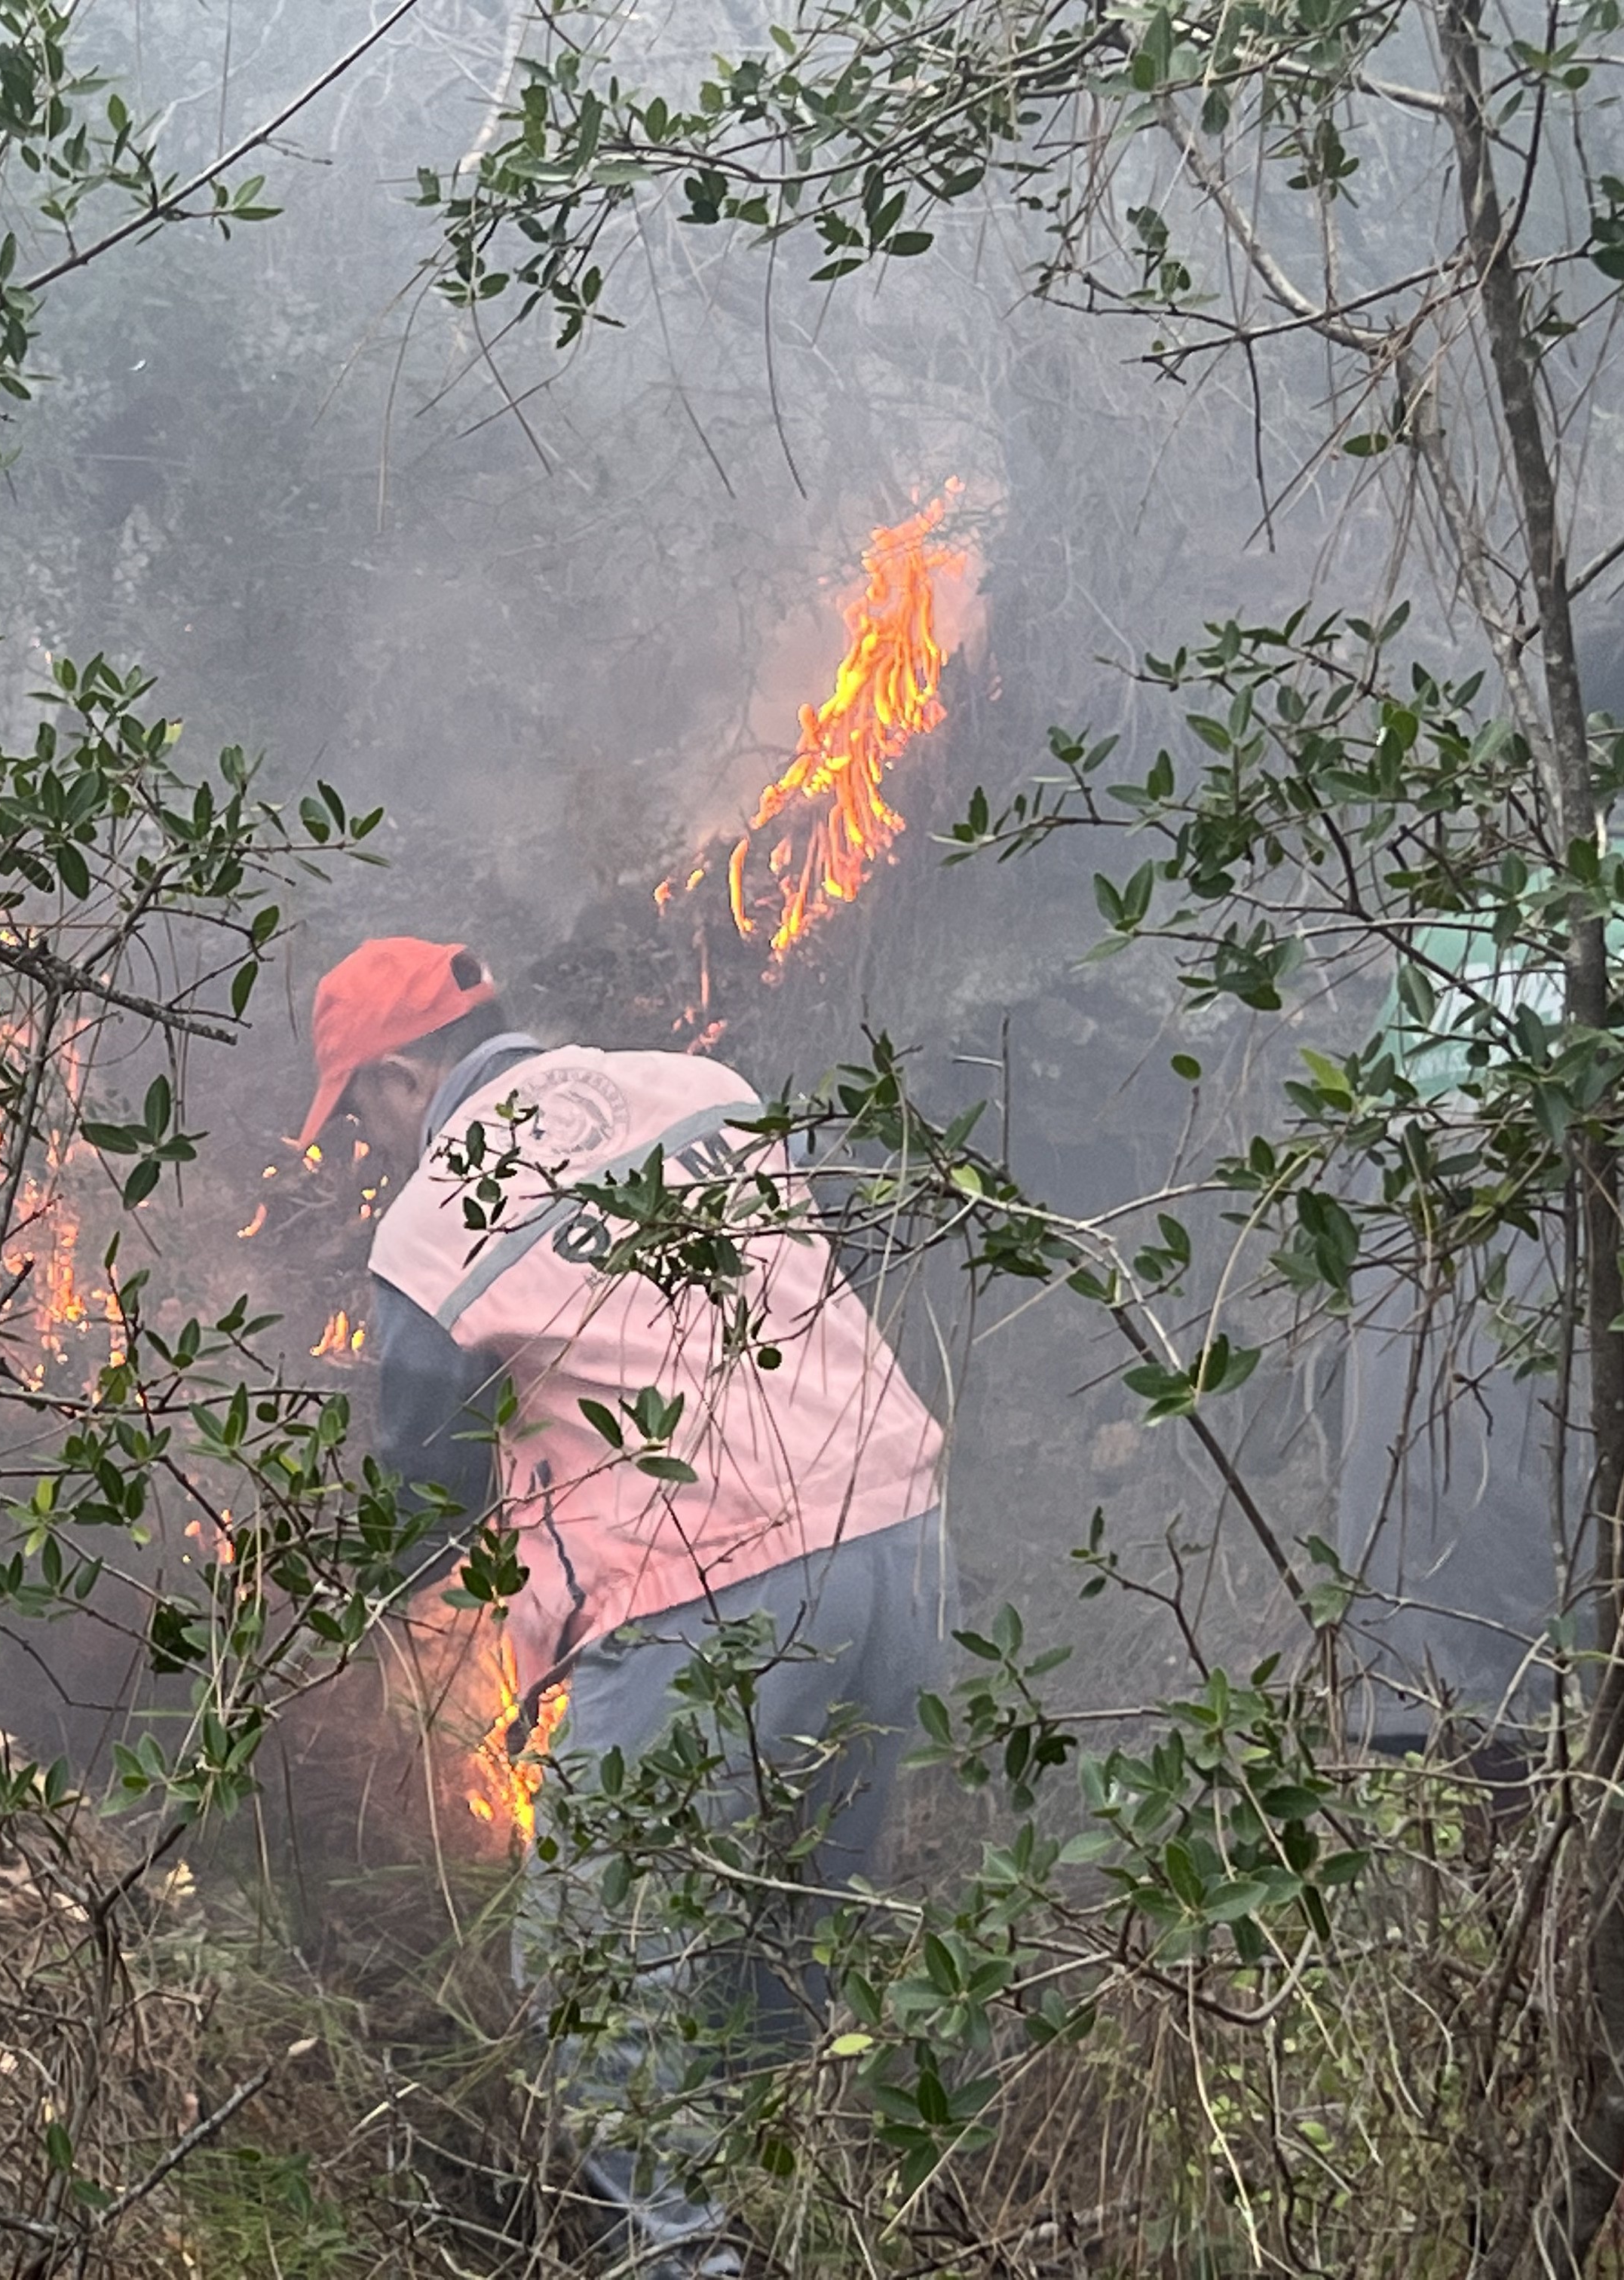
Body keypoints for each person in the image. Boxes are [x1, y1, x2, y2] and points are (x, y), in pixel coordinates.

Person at [296, 936, 950, 2274]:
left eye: (358, 1110)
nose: (367, 1145)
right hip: (903, 1539)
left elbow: (424, 1472)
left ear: (399, 1077)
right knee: (784, 1949)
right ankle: (829, 2227)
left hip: (707, 1589)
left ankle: (692, 2266)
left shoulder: (434, 1218)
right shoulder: (692, 1085)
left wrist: (373, 1621)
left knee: (598, 1984)